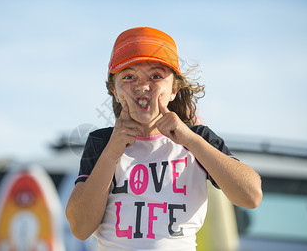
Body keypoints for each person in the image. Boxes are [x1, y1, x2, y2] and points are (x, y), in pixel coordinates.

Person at [66, 27, 262, 250]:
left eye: (156, 76)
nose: (142, 86)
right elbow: (80, 228)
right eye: (128, 77)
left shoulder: (198, 139)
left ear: (174, 89)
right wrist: (112, 152)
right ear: (114, 89)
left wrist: (190, 139)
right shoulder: (101, 142)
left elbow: (251, 196)